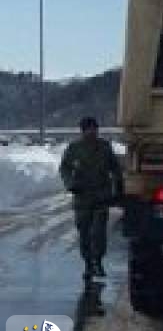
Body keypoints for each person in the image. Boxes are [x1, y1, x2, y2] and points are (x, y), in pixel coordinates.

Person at [59, 117, 123, 279]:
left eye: (94, 129)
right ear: (82, 131)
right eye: (88, 129)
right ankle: (88, 263)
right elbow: (64, 167)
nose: (92, 132)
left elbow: (115, 169)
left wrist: (118, 190)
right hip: (82, 196)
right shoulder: (74, 148)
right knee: (84, 232)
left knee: (99, 232)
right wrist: (70, 183)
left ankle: (98, 261)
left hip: (101, 195)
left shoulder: (104, 147)